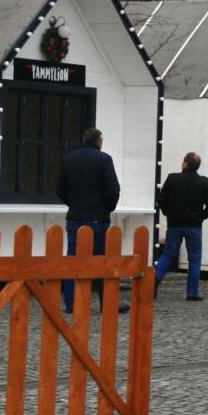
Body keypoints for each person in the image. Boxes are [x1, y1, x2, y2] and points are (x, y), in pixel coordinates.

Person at [56, 127, 127, 314]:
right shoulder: (104, 159)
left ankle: (71, 303)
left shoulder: (68, 159)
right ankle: (107, 302)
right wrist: (106, 208)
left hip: (75, 217)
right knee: (102, 261)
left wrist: (73, 203)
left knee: (73, 260)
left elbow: (60, 189)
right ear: (99, 140)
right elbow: (113, 189)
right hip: (98, 218)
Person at [155, 152, 208, 301]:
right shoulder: (204, 182)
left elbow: (161, 200)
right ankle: (192, 292)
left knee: (168, 255)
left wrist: (168, 213)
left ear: (185, 163)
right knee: (194, 259)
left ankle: (155, 278)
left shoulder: (172, 179)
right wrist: (200, 217)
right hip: (194, 226)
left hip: (174, 224)